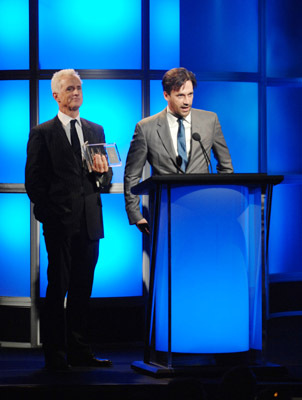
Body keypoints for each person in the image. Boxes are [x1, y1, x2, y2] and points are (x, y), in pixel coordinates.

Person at [25, 69, 113, 371]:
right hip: (59, 225)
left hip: (90, 222)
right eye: (70, 89)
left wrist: (103, 173)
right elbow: (33, 182)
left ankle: (79, 350)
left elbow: (107, 175)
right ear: (56, 95)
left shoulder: (96, 130)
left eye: (79, 88)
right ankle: (55, 354)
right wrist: (50, 214)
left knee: (81, 290)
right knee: (57, 288)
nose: (76, 93)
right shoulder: (42, 133)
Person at [124, 67, 233, 233]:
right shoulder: (146, 128)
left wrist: (221, 202)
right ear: (166, 95)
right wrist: (135, 214)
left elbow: (226, 166)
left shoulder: (210, 120)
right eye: (180, 95)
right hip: (164, 212)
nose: (187, 101)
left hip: (204, 210)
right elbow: (132, 175)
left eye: (190, 94)